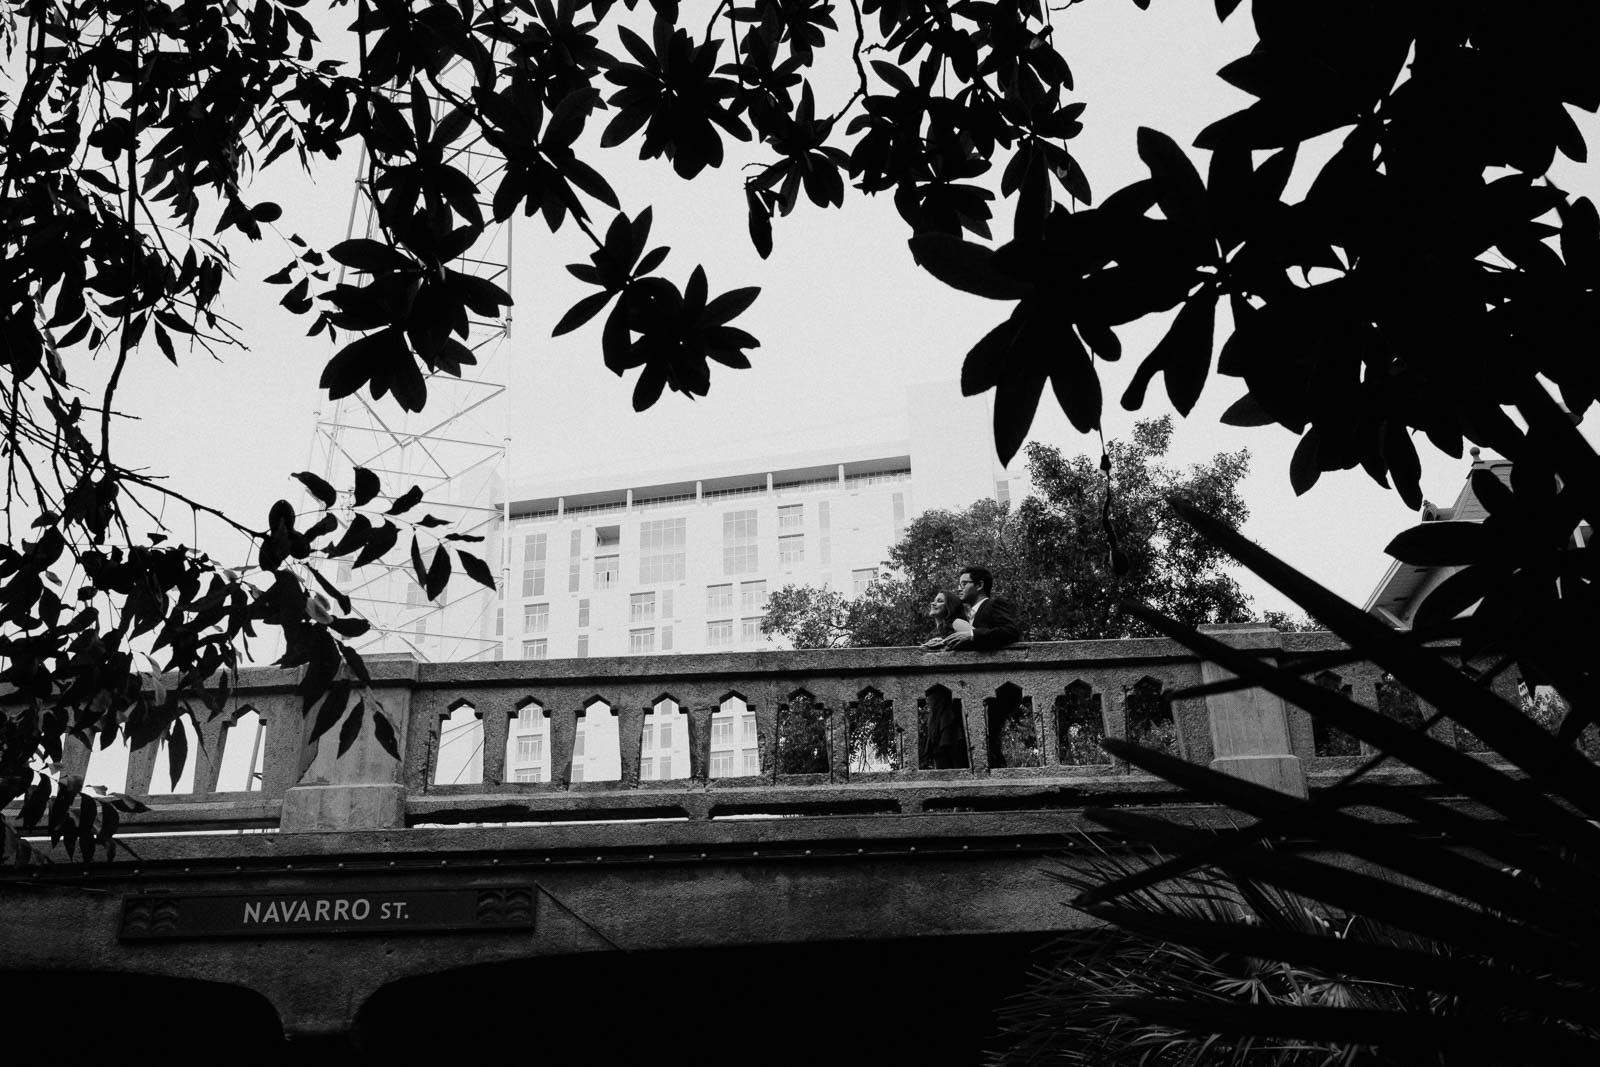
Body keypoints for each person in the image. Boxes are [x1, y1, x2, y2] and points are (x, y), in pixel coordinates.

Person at [942, 566, 1022, 766]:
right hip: (977, 688)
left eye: (964, 583)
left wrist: (971, 635)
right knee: (982, 743)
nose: (959, 588)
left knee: (990, 742)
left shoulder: (994, 604)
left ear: (979, 585)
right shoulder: (968, 616)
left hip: (998, 687)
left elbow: (1010, 632)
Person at [919, 590, 971, 768]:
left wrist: (944, 643)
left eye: (939, 601)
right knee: (940, 753)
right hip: (937, 700)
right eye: (934, 600)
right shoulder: (935, 631)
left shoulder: (955, 622)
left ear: (949, 607)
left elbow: (974, 635)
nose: (933, 603)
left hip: (951, 700)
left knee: (954, 751)